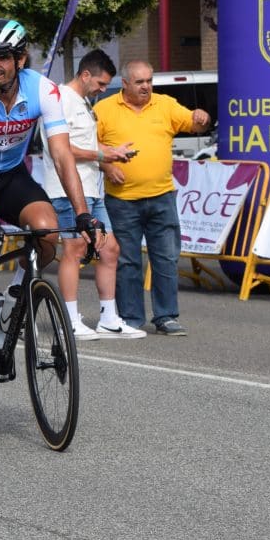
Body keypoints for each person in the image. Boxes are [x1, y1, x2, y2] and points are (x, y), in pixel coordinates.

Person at [0, 18, 97, 417]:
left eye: (3, 57)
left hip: (11, 176)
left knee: (48, 232)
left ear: (20, 58)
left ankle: (14, 295)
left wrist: (82, 213)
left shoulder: (42, 90)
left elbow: (62, 154)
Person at [94, 59, 211, 336]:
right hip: (122, 200)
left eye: (149, 80)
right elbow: (87, 143)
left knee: (166, 258)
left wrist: (200, 118)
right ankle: (131, 318)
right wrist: (107, 164)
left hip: (161, 197)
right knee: (127, 261)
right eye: (140, 82)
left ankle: (167, 316)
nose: (146, 86)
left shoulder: (165, 104)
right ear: (124, 84)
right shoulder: (105, 109)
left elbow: (193, 124)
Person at [34, 49, 144, 339]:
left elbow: (84, 145)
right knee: (74, 250)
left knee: (110, 249)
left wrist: (106, 158)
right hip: (66, 191)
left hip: (92, 191)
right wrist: (102, 154)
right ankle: (68, 319)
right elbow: (59, 148)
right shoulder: (59, 100)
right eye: (101, 83)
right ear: (85, 75)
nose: (103, 90)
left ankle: (109, 317)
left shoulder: (82, 101)